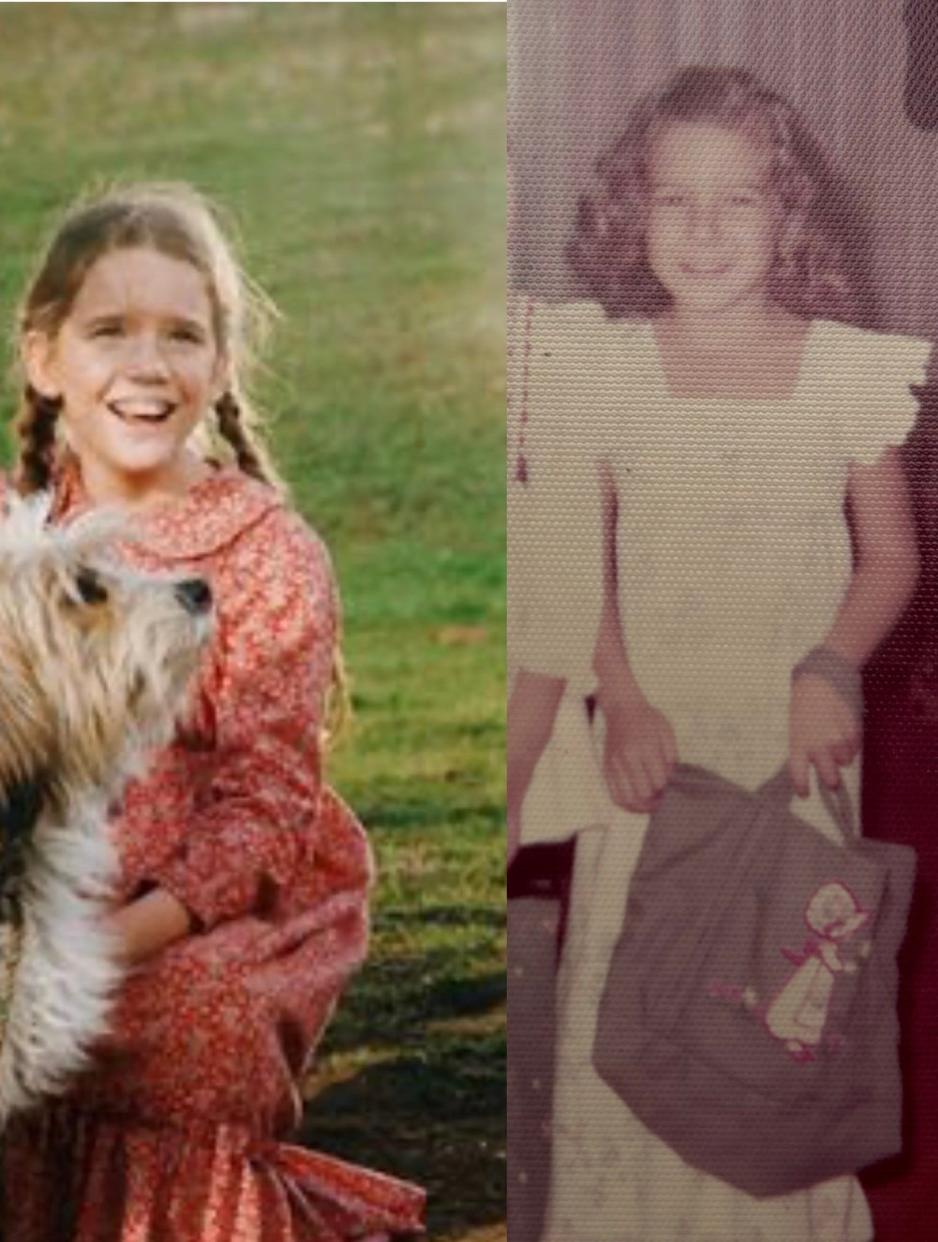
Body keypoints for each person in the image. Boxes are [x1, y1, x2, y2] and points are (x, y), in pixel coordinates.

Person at [0, 183, 424, 1242]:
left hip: (193, 905)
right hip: (13, 883)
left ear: (221, 364)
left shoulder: (267, 553)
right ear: (46, 359)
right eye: (109, 331)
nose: (147, 366)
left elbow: (264, 809)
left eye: (182, 335)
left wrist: (94, 948)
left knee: (176, 1028)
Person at [515, 68, 928, 1242]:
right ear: (628, 213)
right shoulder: (600, 368)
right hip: (658, 746)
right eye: (674, 199)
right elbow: (573, 562)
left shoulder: (847, 368)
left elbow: (891, 557)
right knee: (637, 995)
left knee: (775, 1011)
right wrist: (621, 698)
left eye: (738, 201)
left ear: (790, 215)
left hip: (798, 743)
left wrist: (830, 666)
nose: (703, 232)